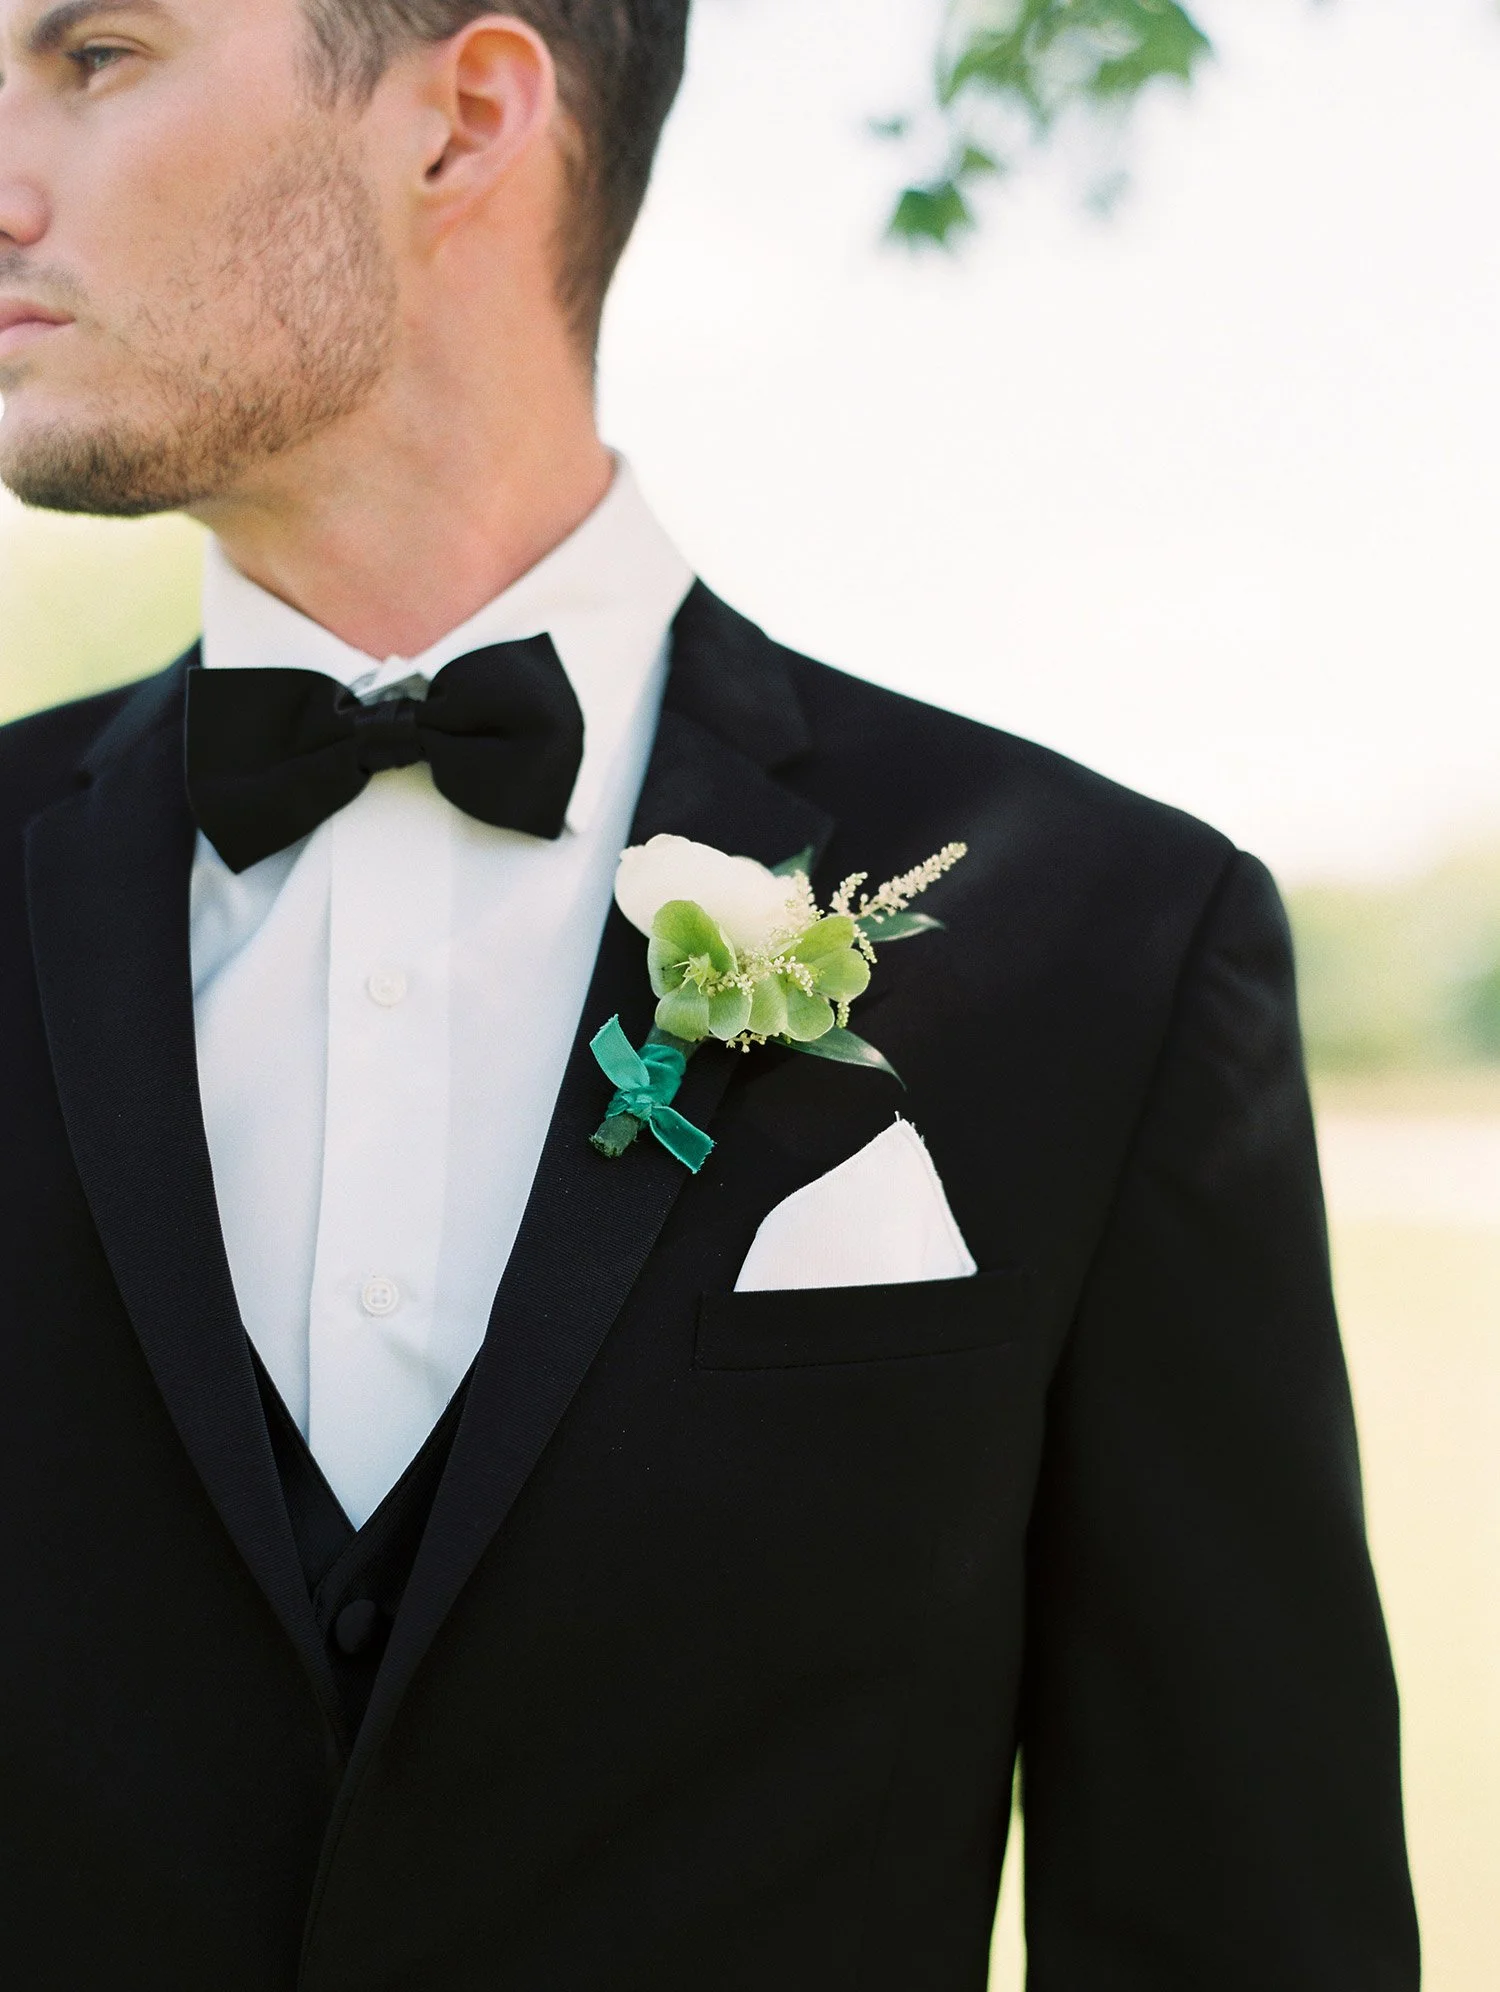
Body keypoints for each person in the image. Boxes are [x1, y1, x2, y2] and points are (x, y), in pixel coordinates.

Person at [0, 3, 1419, 1986]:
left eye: (94, 55)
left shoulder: (1106, 942)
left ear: (462, 120)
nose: (8, 170)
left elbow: (1245, 1918)